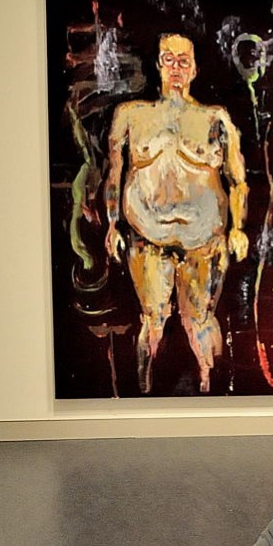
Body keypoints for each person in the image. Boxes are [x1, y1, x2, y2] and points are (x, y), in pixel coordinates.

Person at [104, 33, 248, 394]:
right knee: (152, 320)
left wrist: (238, 228)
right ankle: (142, 394)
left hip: (204, 241)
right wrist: (112, 224)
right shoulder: (131, 116)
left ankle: (210, 392)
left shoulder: (215, 118)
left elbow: (238, 180)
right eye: (169, 59)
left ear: (195, 68)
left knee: (200, 320)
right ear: (158, 65)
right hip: (147, 236)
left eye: (184, 61)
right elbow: (114, 174)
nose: (176, 68)